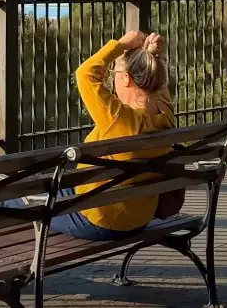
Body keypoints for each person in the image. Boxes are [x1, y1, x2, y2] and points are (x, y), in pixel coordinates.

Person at [51, 30, 177, 240]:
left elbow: (85, 74)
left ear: (126, 79)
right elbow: (159, 87)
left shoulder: (119, 118)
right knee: (54, 191)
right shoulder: (165, 114)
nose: (112, 78)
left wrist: (119, 45)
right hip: (140, 216)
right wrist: (154, 55)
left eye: (115, 72)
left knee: (16, 201)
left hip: (100, 218)